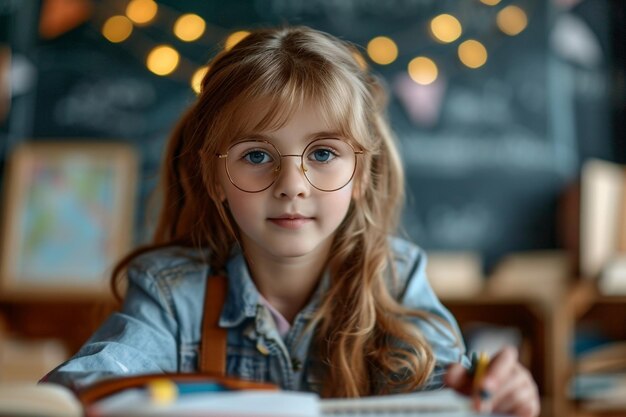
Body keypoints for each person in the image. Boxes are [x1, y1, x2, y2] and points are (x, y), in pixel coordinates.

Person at [43, 26, 539, 416]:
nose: (292, 184)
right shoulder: (172, 292)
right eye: (257, 155)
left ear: (360, 175)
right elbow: (88, 386)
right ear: (215, 177)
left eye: (323, 152)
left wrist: (489, 392)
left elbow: (443, 389)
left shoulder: (394, 279)